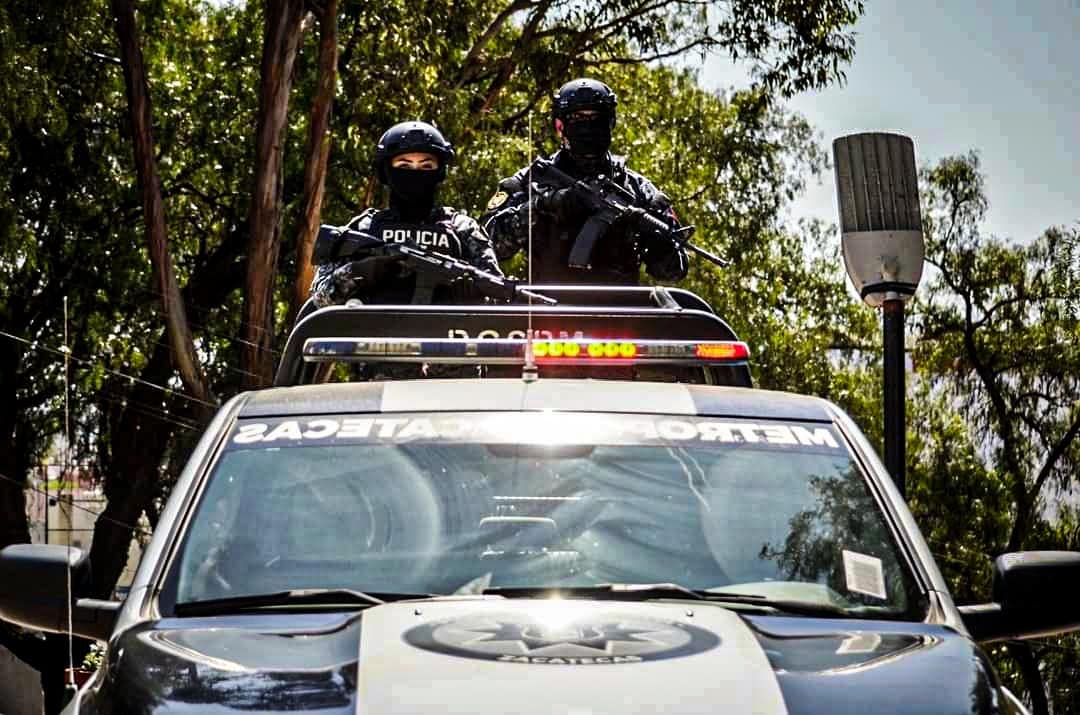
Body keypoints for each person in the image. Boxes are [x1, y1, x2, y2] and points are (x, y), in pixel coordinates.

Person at [482, 78, 688, 285]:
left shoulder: (638, 189)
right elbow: (486, 244)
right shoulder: (530, 181)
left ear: (611, 124)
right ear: (560, 126)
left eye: (597, 118)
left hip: (621, 303)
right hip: (547, 302)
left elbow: (675, 272)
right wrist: (544, 205)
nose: (588, 127)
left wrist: (658, 241)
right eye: (578, 118)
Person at [309, 120, 501, 308]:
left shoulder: (462, 229)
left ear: (440, 171)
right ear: (386, 171)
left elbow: (498, 296)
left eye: (426, 166)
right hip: (371, 328)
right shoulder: (364, 228)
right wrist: (360, 272)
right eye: (404, 166)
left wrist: (473, 297)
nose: (415, 173)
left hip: (445, 329)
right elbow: (319, 299)